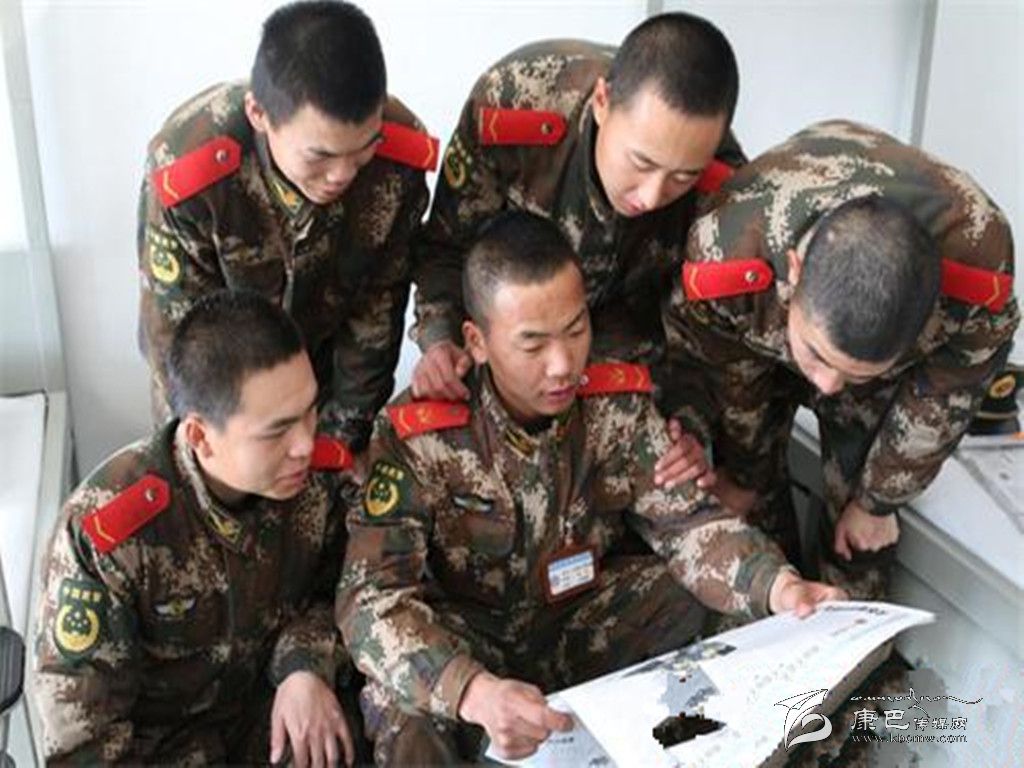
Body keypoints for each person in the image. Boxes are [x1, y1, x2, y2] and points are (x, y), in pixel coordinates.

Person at [337, 212, 844, 764]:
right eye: (533, 345)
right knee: (399, 703)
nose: (562, 365)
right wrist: (473, 692)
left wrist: (778, 586)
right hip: (471, 640)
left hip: (581, 620)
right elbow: (371, 600)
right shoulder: (418, 435)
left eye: (576, 330)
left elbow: (687, 524)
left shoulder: (614, 402)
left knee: (732, 610)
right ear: (477, 342)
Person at [663, 119, 1018, 598]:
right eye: (818, 357)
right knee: (748, 496)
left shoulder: (978, 269)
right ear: (795, 270)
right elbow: (725, 377)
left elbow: (948, 391)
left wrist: (877, 501)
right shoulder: (724, 255)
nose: (828, 385)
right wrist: (746, 474)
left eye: (853, 373)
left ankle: (848, 634)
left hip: (861, 332)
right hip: (755, 325)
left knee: (862, 531)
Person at [409, 12, 747, 488]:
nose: (652, 196)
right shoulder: (517, 104)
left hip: (634, 367)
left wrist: (688, 424)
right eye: (641, 162)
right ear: (603, 102)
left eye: (682, 176)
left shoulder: (727, 187)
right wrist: (440, 339)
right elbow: (447, 245)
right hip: (512, 358)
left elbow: (706, 329)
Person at [36, 291, 358, 766]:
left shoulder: (320, 482)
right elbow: (84, 743)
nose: (306, 445)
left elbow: (342, 594)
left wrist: (303, 666)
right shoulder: (107, 537)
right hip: (157, 750)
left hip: (265, 718)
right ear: (200, 437)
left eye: (311, 410)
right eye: (277, 430)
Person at [137, 0, 435, 455]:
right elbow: (178, 341)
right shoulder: (191, 172)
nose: (342, 175)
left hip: (324, 380)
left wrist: (339, 445)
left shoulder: (397, 159)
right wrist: (234, 461)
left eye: (362, 150)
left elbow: (375, 317)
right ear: (259, 115)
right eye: (320, 156)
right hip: (221, 399)